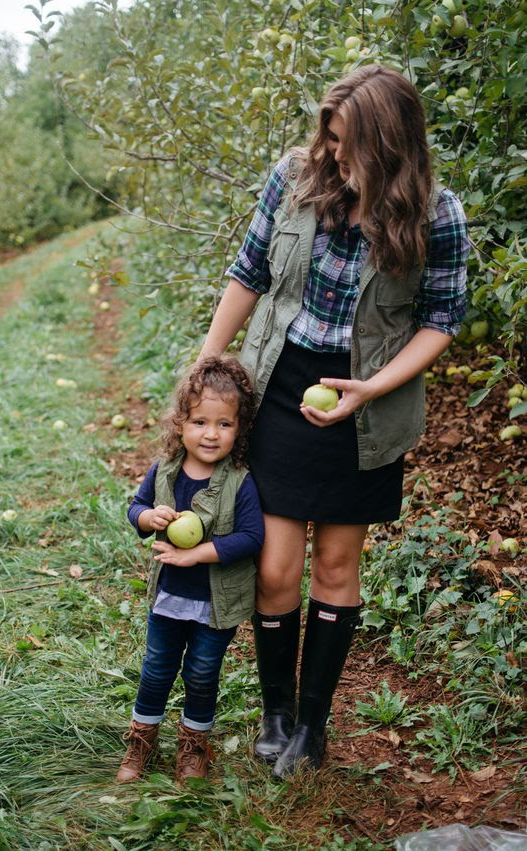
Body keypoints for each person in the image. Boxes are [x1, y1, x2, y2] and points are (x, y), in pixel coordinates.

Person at [200, 64, 469, 778]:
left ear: (389, 146)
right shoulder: (294, 178)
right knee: (278, 568)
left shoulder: (437, 214)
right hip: (284, 386)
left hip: (364, 402)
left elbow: (441, 319)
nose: (335, 155)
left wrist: (373, 386)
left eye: (349, 144)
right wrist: (206, 365)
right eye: (329, 138)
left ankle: (312, 727)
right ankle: (275, 712)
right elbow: (248, 272)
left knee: (337, 564)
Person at [116, 356, 264, 783]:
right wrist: (149, 519)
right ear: (180, 423)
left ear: (238, 430)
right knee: (157, 667)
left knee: (201, 673)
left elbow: (252, 537)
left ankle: (193, 747)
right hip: (169, 596)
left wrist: (197, 553)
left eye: (224, 424)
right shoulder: (164, 471)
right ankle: (140, 740)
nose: (211, 433)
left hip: (214, 603)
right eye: (200, 421)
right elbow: (135, 509)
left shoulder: (239, 480)